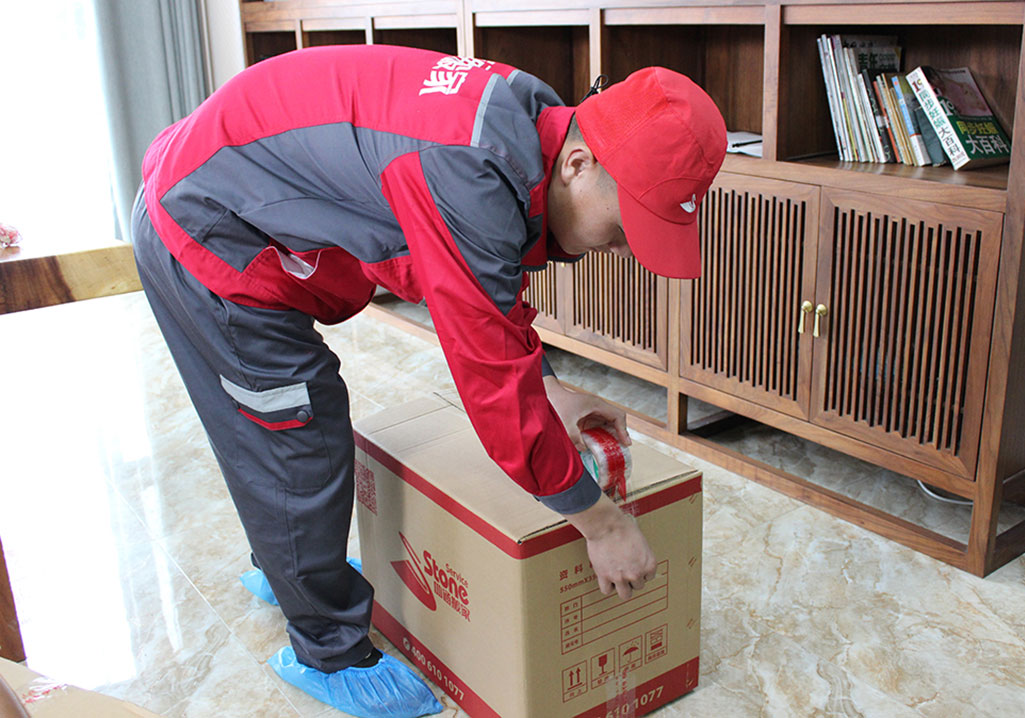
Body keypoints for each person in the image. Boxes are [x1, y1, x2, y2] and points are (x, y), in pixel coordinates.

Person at [131, 44, 726, 718]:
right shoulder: (466, 170)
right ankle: (326, 649)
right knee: (295, 431)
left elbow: (483, 282)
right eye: (620, 232)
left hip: (232, 180)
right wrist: (601, 524)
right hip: (204, 225)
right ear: (579, 163)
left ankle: (288, 566)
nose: (616, 252)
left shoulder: (526, 124)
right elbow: (491, 385)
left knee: (294, 426)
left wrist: (550, 387)